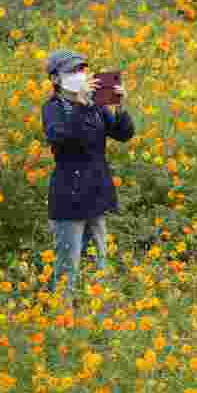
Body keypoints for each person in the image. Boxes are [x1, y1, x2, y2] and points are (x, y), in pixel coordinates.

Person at [42, 49, 135, 301]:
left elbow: (122, 134)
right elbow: (61, 139)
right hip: (69, 196)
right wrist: (81, 105)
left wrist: (120, 106)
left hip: (95, 193)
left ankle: (97, 316)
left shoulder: (96, 105)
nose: (80, 74)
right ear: (55, 79)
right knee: (68, 265)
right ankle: (61, 319)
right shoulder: (53, 108)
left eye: (83, 69)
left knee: (98, 261)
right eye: (72, 70)